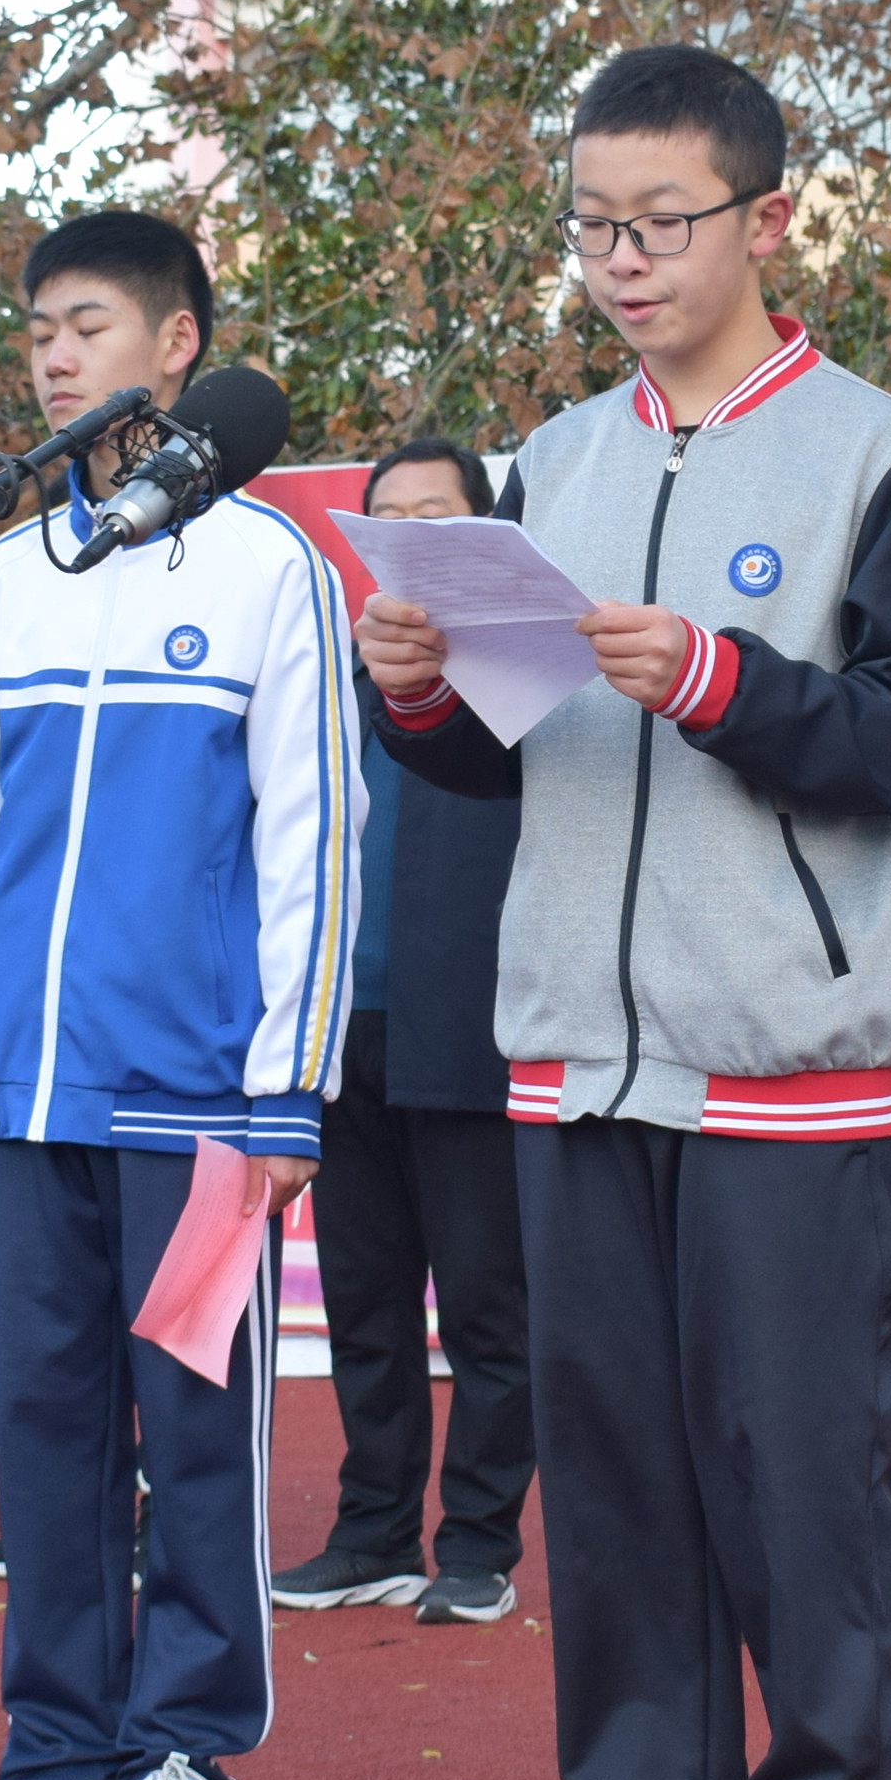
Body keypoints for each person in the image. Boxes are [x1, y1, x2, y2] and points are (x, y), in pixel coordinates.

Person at [359, 43, 891, 1780]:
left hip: (787, 1067)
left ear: (764, 219)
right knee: (616, 1493)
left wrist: (721, 676)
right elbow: (503, 755)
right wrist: (416, 689)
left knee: (805, 1500)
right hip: (574, 1059)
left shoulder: (878, 456)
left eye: (661, 222)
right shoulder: (553, 461)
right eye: (594, 226)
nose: (622, 259)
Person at [0, 209, 357, 1780]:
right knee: (43, 1430)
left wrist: (284, 1088)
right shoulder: (11, 576)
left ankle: (184, 1755)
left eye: (88, 323)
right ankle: (58, 1755)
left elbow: (311, 840)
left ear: (178, 346)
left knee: (197, 1429)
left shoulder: (268, 567)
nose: (54, 353)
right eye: (39, 327)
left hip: (199, 1102)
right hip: (22, 1093)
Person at [283, 437, 536, 1630]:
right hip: (345, 1032)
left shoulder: (523, 674)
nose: (410, 533)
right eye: (388, 515)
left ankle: (478, 1541)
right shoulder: (329, 674)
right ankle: (372, 1529)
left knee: (487, 1309)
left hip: (475, 1027)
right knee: (365, 1305)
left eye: (437, 512)